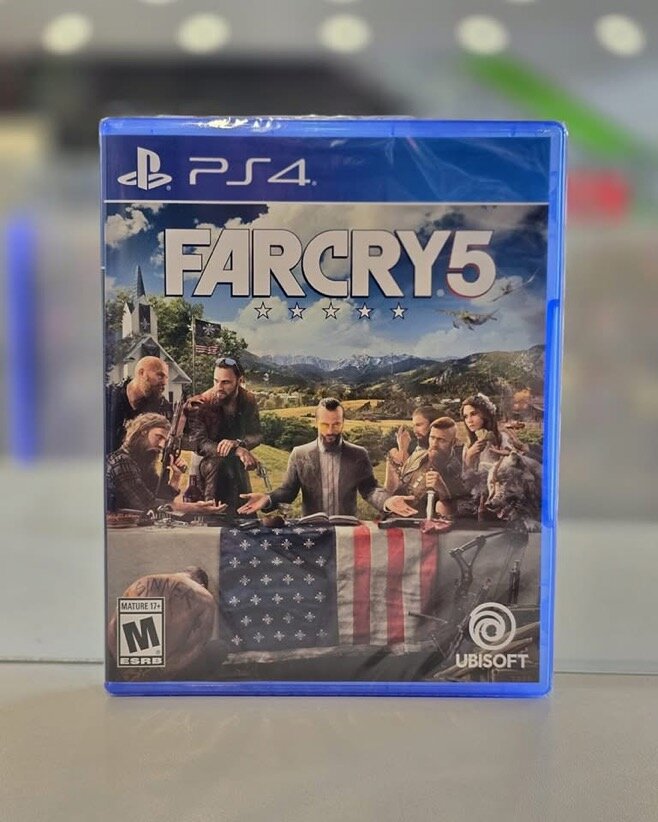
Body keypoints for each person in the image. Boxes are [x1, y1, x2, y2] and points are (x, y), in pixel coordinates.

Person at [237, 398, 418, 519]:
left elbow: (370, 489)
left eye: (336, 424)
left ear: (343, 422)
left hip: (346, 533)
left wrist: (387, 501)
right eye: (324, 424)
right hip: (312, 534)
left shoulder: (359, 454)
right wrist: (268, 499)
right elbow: (288, 491)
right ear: (316, 423)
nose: (330, 431)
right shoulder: (299, 454)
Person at [185, 357, 262, 514]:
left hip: (236, 467)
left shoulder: (248, 399)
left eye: (225, 382)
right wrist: (236, 450)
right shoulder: (200, 403)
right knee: (209, 517)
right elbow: (200, 443)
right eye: (216, 381)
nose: (218, 387)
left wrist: (239, 443)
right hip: (206, 466)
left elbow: (257, 434)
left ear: (240, 380)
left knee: (245, 516)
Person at [106, 413, 225, 515]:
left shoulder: (140, 462)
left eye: (165, 441)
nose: (162, 445)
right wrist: (195, 508)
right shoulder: (121, 461)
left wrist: (176, 476)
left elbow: (161, 499)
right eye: (159, 437)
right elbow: (148, 504)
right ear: (143, 431)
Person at [461, 393, 525, 518]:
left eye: (473, 414)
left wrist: (506, 455)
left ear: (485, 415)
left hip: (501, 492)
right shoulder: (469, 445)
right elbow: (466, 481)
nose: (469, 420)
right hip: (477, 494)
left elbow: (515, 467)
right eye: (465, 416)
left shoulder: (502, 438)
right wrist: (469, 457)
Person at [387, 417, 466, 519]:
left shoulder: (457, 470)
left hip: (419, 524)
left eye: (441, 440)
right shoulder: (419, 456)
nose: (434, 444)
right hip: (393, 518)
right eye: (432, 438)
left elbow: (455, 515)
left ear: (453, 442)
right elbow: (392, 489)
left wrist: (443, 491)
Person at [106, 356, 171, 455]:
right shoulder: (107, 399)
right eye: (160, 375)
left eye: (166, 378)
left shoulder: (162, 408)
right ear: (142, 373)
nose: (165, 382)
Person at [384, 405, 438, 492]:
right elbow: (407, 474)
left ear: (432, 425)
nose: (415, 430)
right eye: (414, 426)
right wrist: (403, 449)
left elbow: (405, 484)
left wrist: (402, 451)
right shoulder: (420, 448)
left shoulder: (435, 452)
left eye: (419, 425)